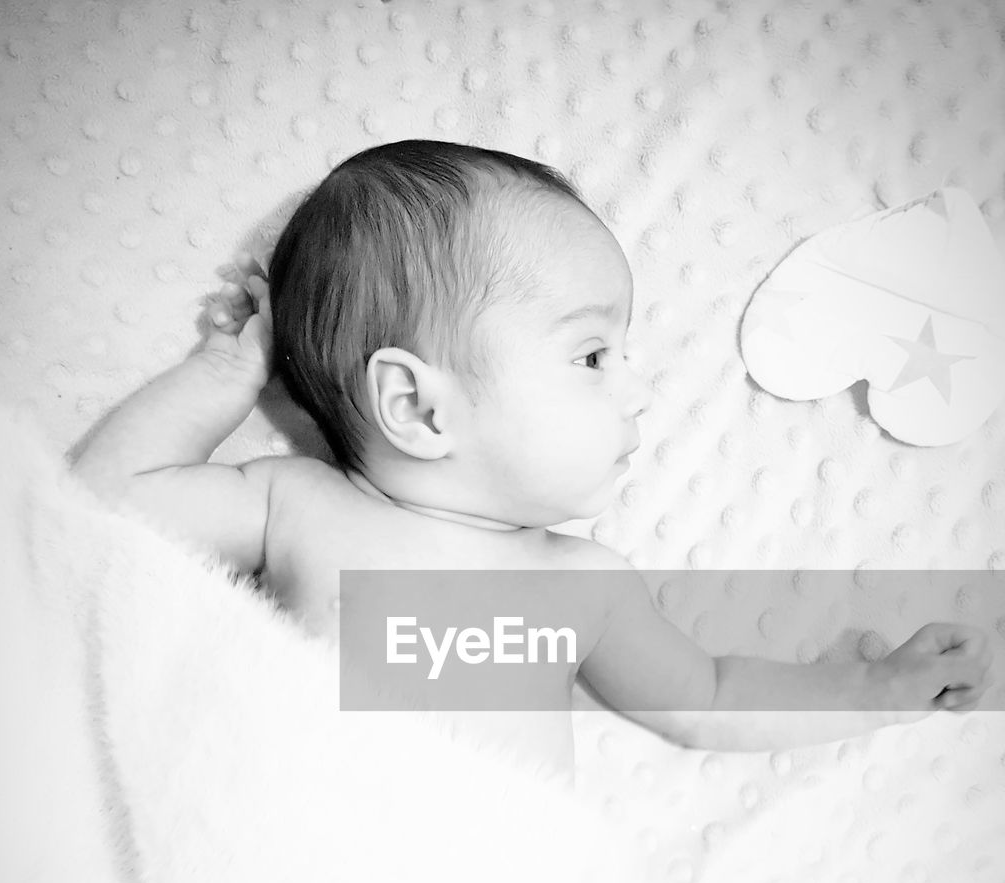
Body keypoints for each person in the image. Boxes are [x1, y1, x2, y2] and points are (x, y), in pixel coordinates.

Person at [70, 139, 994, 782]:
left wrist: (873, 689)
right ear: (419, 405)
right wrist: (222, 376)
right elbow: (99, 511)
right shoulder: (293, 506)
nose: (635, 390)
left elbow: (709, 697)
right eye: (593, 357)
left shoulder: (583, 586)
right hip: (299, 875)